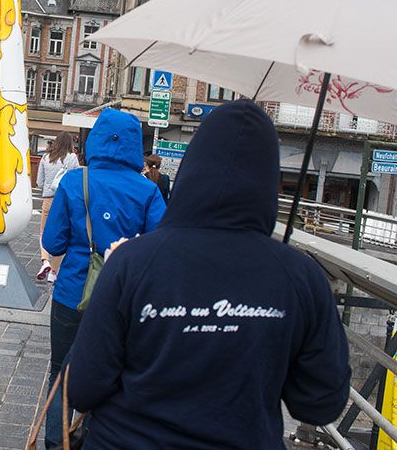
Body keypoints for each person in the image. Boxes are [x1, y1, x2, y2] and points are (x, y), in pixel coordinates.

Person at [66, 100, 350, 449]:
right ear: (268, 181)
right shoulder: (301, 278)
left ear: (192, 169)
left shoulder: (131, 263)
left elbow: (82, 386)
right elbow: (320, 402)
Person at [41, 108, 166, 449]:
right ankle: (93, 438)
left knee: (61, 375)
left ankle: (56, 443)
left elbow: (53, 242)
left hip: (71, 294)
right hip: (121, 301)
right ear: (133, 145)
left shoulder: (73, 181)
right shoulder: (147, 192)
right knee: (110, 375)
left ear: (95, 140)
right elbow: (159, 250)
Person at [36, 131, 80, 282]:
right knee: (61, 234)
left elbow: (39, 182)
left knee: (43, 231)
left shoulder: (46, 157)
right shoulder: (72, 158)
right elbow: (76, 180)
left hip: (48, 199)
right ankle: (53, 273)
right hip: (64, 201)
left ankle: (45, 261)